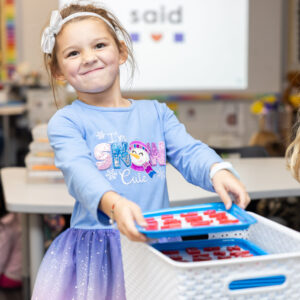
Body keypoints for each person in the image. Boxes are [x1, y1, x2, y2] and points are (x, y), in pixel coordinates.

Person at [32, 2, 250, 299]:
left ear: (121, 51)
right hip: (101, 252)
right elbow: (80, 174)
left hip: (158, 242)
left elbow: (189, 151)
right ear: (58, 71)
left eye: (99, 45)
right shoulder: (67, 121)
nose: (89, 58)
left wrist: (217, 171)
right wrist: (115, 205)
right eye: (73, 53)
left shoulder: (157, 113)